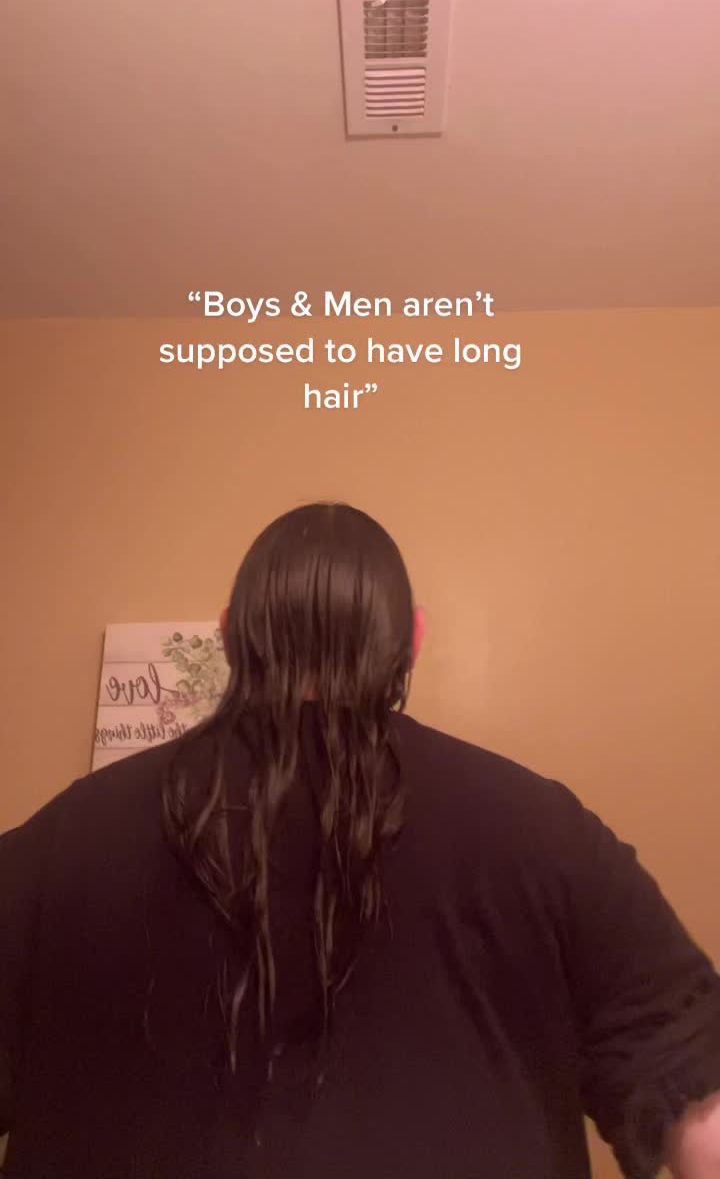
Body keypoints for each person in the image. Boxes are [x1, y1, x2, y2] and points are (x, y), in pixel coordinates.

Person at [1, 502, 719, 1179]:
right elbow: (697, 1096)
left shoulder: (59, 842)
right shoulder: (548, 829)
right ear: (414, 639)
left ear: (228, 635)